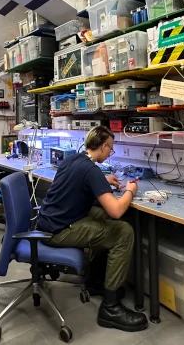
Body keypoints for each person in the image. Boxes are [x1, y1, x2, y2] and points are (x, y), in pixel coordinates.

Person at [37, 126, 148, 332]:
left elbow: (79, 182)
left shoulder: (74, 159)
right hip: (58, 231)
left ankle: (96, 279)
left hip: (50, 220)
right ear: (103, 146)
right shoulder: (91, 169)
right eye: (111, 149)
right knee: (123, 232)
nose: (110, 153)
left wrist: (103, 182)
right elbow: (116, 210)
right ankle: (110, 308)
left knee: (104, 217)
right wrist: (130, 191)